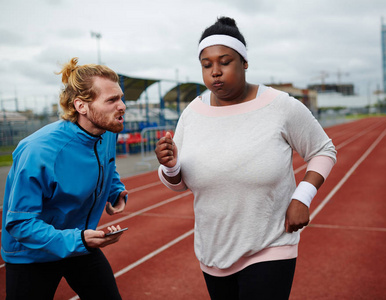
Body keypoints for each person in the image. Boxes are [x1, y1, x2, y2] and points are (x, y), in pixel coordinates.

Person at [156, 17, 337, 300]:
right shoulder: (192, 113)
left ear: (244, 62)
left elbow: (323, 150)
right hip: (213, 250)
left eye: (225, 62)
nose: (215, 72)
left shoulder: (280, 106)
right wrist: (170, 166)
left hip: (270, 244)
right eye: (207, 65)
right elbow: (179, 184)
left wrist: (302, 197)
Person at [1, 57, 129, 300]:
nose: (122, 106)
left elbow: (108, 167)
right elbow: (19, 223)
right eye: (112, 100)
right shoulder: (37, 151)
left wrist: (116, 191)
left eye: (121, 98)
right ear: (81, 106)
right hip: (32, 253)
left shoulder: (106, 132)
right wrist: (78, 239)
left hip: (79, 241)